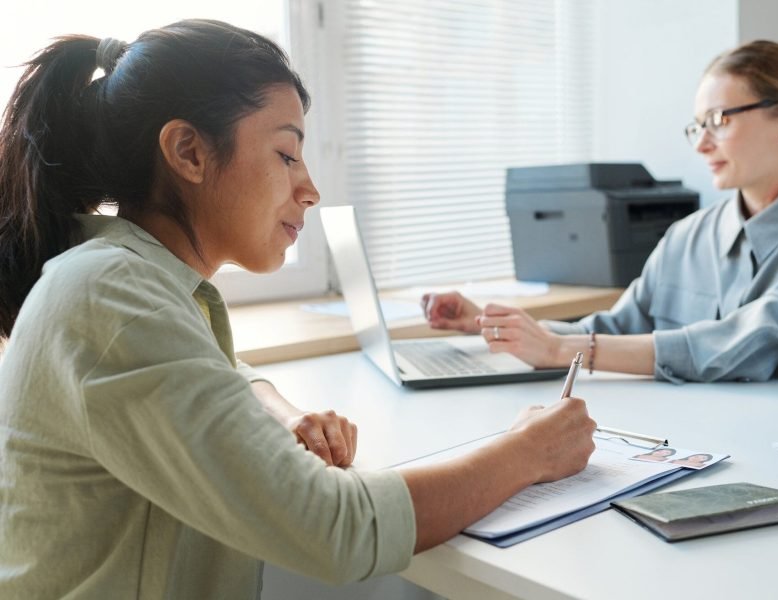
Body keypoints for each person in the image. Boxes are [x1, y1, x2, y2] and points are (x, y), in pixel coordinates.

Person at [0, 20, 596, 598]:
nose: (309, 188)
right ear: (188, 152)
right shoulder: (111, 297)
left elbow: (213, 371)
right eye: (287, 154)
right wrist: (529, 452)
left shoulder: (124, 280)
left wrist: (280, 413)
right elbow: (337, 529)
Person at [422, 40, 778, 383]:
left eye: (719, 120)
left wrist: (560, 351)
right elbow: (616, 328)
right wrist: (492, 326)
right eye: (698, 126)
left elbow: (743, 342)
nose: (702, 144)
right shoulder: (687, 237)